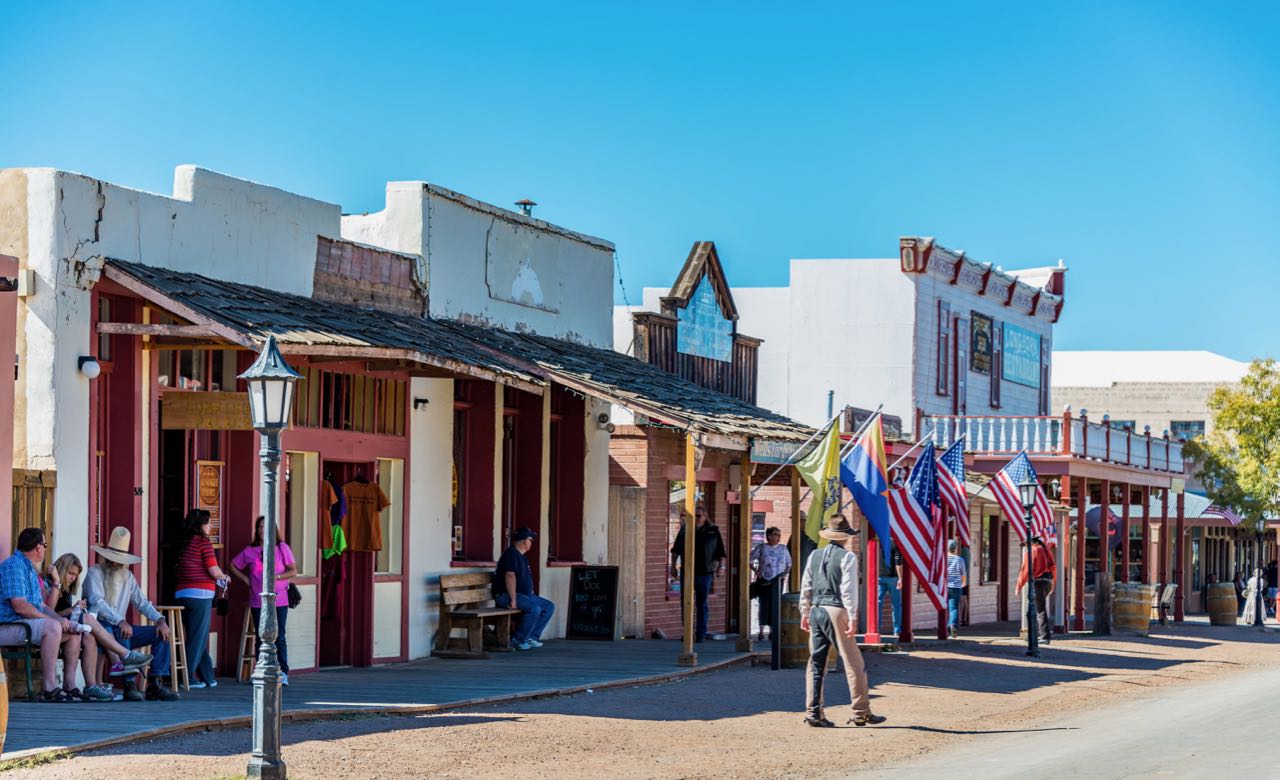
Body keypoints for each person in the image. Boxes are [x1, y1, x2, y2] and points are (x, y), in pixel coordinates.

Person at [800, 515, 884, 728]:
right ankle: (861, 711)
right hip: (835, 609)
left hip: (816, 609)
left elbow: (806, 585)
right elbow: (848, 590)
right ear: (845, 537)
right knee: (853, 662)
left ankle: (813, 711)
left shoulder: (815, 555)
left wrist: (804, 611)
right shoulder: (848, 558)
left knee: (816, 662)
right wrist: (853, 617)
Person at [83, 526, 179, 701]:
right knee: (123, 631)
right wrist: (120, 620)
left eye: (119, 560)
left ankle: (155, 683)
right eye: (112, 559)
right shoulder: (94, 572)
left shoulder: (127, 577)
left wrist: (160, 619)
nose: (114, 563)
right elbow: (97, 601)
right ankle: (129, 685)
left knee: (162, 633)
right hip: (101, 626)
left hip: (120, 627)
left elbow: (142, 602)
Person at [43, 552, 151, 701]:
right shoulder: (50, 584)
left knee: (89, 635)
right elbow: (47, 611)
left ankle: (90, 686)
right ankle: (125, 656)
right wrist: (69, 607)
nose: (73, 577)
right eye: (70, 573)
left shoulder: (66, 589)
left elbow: (142, 602)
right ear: (61, 568)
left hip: (65, 627)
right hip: (49, 627)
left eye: (75, 575)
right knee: (90, 619)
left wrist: (74, 610)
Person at [0, 528, 85, 702]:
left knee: (73, 631)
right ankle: (49, 688)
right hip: (9, 625)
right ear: (38, 547)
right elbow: (20, 606)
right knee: (52, 626)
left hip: (25, 624)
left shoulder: (29, 569)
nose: (46, 549)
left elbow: (41, 606)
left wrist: (61, 620)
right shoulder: (14, 566)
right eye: (45, 545)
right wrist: (53, 621)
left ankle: (69, 686)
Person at [231, 516, 297, 685]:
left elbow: (293, 571)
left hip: (279, 599)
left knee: (279, 636)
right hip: (257, 600)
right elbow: (232, 565)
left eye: (265, 527)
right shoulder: (250, 550)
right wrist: (245, 579)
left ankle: (283, 672)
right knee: (261, 637)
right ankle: (262, 670)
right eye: (259, 527)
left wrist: (277, 577)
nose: (262, 530)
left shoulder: (281, 547)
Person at [174, 509, 230, 689]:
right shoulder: (204, 543)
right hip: (201, 594)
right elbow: (214, 571)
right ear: (200, 525)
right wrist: (225, 577)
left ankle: (208, 676)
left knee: (197, 636)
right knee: (198, 637)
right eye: (208, 523)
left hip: (181, 593)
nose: (211, 526)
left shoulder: (183, 543)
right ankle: (186, 677)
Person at [670, 505, 727, 643]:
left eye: (698, 516)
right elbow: (676, 549)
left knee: (701, 603)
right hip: (687, 571)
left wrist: (721, 567)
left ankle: (700, 633)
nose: (696, 518)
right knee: (686, 602)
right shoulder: (685, 530)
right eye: (693, 516)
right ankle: (688, 632)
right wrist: (673, 567)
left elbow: (721, 552)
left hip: (705, 572)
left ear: (705, 517)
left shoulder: (713, 531)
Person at [493, 527, 555, 650]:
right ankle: (518, 639)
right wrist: (513, 599)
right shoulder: (511, 554)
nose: (531, 543)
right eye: (530, 540)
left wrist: (530, 591)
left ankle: (531, 637)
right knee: (534, 609)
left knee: (548, 606)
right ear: (524, 541)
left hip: (523, 594)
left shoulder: (522, 556)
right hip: (506, 595)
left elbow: (525, 577)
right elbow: (510, 576)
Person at [749, 527, 792, 641]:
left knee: (775, 604)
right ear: (768, 536)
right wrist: (756, 571)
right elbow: (749, 559)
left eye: (779, 535)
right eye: (775, 534)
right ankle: (762, 631)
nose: (777, 537)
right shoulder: (762, 547)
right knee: (764, 604)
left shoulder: (783, 549)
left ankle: (774, 631)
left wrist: (785, 573)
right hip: (764, 579)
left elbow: (789, 563)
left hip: (778, 579)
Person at [1015, 537, 1056, 644]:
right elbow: (1053, 567)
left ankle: (1042, 636)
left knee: (1038, 610)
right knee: (1039, 609)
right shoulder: (1046, 549)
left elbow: (1026, 570)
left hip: (1037, 582)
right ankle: (1040, 635)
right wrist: (1053, 583)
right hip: (1048, 581)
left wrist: (1019, 585)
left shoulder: (1032, 550)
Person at [876, 543, 904, 637]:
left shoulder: (878, 542)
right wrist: (900, 578)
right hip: (893, 577)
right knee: (896, 605)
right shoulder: (895, 543)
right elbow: (898, 561)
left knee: (878, 603)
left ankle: (876, 628)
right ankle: (897, 630)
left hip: (879, 575)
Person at [946, 540, 967, 639]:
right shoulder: (960, 560)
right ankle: (952, 625)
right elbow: (963, 574)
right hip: (956, 586)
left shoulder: (943, 559)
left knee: (944, 608)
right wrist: (963, 583)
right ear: (955, 548)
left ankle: (946, 626)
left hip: (944, 586)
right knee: (953, 608)